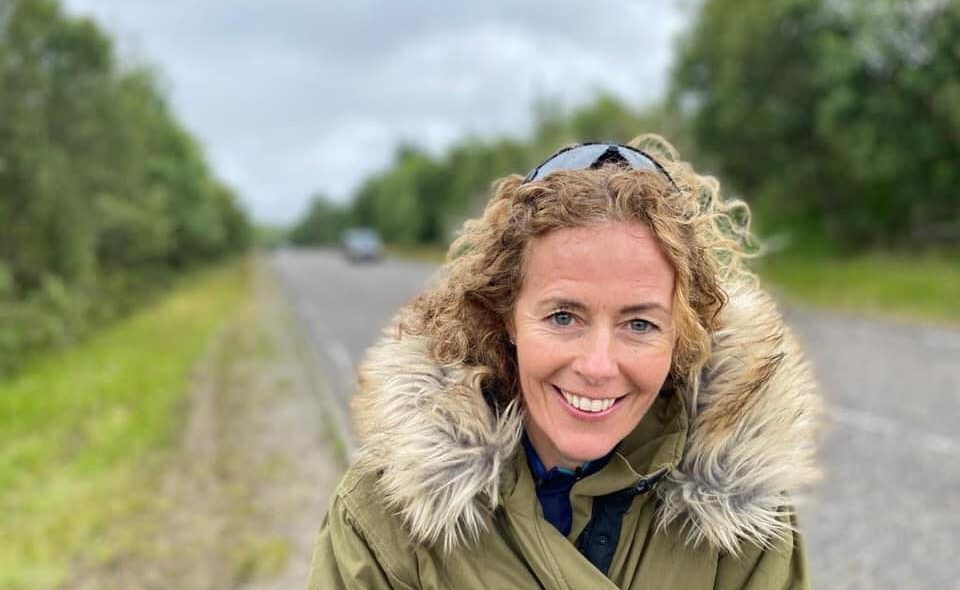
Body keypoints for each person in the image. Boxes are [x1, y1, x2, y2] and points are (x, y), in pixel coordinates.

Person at [308, 135, 821, 589]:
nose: (598, 366)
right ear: (507, 315)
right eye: (562, 317)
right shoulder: (387, 514)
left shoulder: (745, 523)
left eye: (639, 324)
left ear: (682, 334)